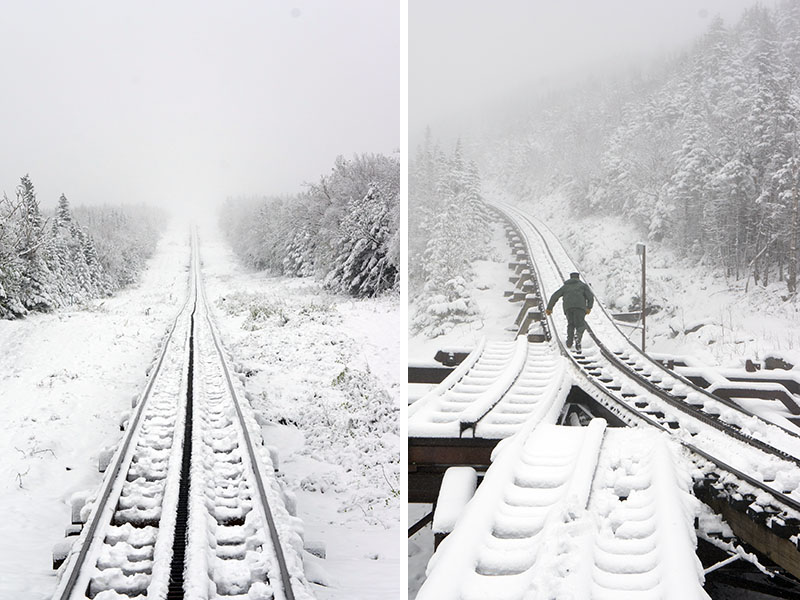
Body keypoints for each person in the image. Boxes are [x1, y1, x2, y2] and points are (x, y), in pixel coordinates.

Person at [545, 272, 594, 352]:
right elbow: (590, 297)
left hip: (568, 308)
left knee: (570, 324)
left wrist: (549, 308)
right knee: (580, 325)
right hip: (580, 308)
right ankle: (577, 337)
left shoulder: (565, 287)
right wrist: (589, 307)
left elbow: (555, 296)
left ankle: (569, 342)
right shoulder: (583, 286)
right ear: (578, 278)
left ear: (570, 278)